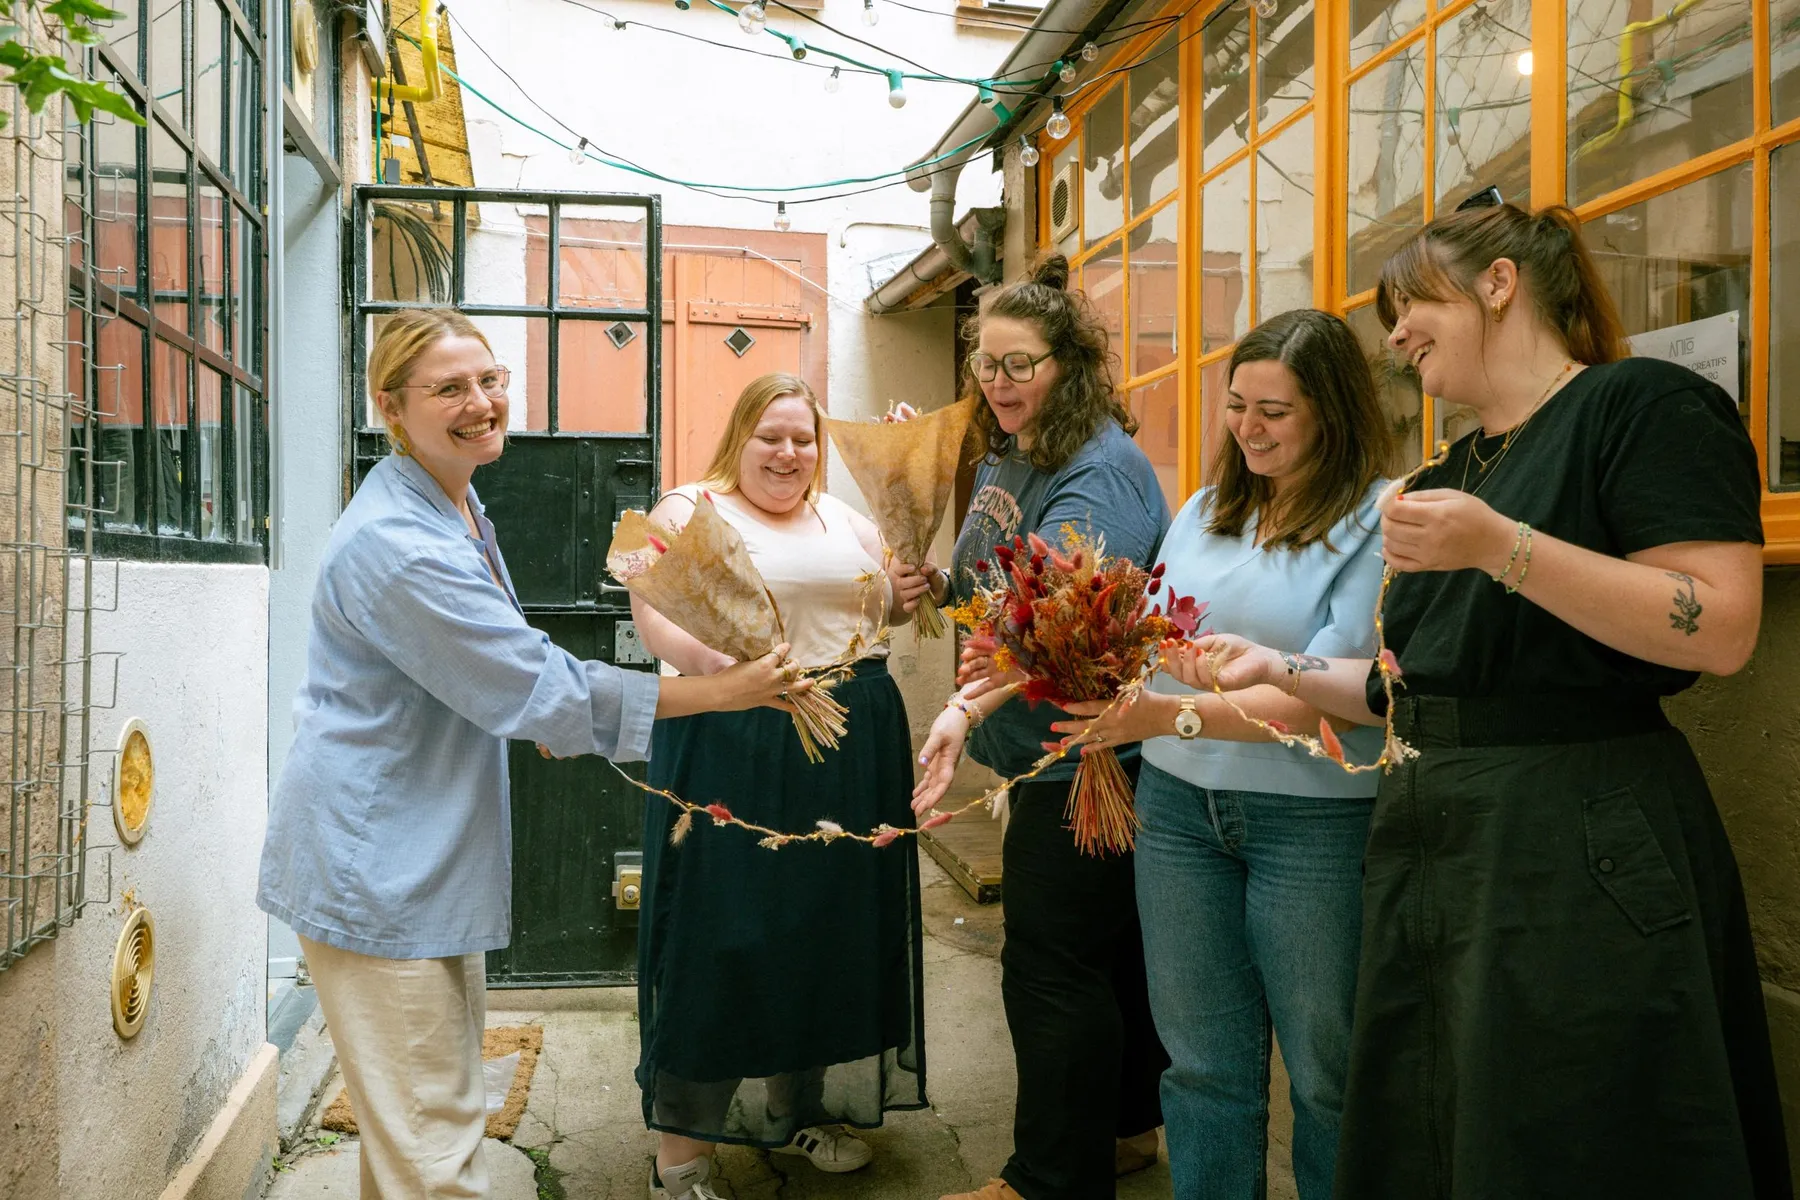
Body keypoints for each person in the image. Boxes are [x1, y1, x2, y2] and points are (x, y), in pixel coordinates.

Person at [1167, 199, 1792, 1198]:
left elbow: (1721, 625)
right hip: (1437, 848)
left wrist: (1500, 547)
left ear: (1499, 283)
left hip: (1573, 846)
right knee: (1442, 1134)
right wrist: (1275, 668)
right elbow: (1400, 692)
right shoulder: (1451, 468)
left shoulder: (1641, 406)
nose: (1397, 332)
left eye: (1412, 301)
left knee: (1569, 1135)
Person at [258, 310, 797, 1200]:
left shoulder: (453, 499)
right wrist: (722, 691)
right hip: (378, 863)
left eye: (490, 378)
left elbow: (493, 672)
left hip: (414, 854)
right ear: (391, 406)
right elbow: (535, 682)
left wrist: (534, 711)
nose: (482, 402)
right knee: (433, 1154)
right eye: (450, 389)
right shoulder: (400, 545)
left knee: (421, 1127)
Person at [1049, 308, 1394, 1199]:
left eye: (1274, 411)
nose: (1248, 428)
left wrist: (1169, 716)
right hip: (1178, 815)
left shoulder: (1378, 516)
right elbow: (1158, 634)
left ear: (1333, 412)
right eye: (1237, 404)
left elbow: (1340, 697)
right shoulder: (1206, 507)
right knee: (1200, 1067)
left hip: (1314, 822)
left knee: (1329, 1072)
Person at [629, 373, 933, 1200]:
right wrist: (714, 668)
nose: (789, 453)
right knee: (723, 937)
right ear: (740, 437)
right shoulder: (688, 508)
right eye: (771, 435)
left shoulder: (846, 521)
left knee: (822, 931)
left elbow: (886, 615)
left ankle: (791, 1114)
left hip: (849, 742)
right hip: (735, 737)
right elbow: (648, 601)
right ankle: (682, 1158)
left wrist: (907, 590)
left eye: (803, 438)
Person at [911, 255, 1172, 1200]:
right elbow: (999, 589)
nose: (997, 383)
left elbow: (1051, 621)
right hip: (1042, 754)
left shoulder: (1100, 470)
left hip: (1087, 758)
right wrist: (939, 587)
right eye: (985, 364)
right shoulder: (1022, 452)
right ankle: (1129, 1133)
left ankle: (1051, 1180)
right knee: (1110, 960)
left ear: (1070, 362)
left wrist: (964, 696)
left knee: (1054, 970)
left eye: (1018, 364)